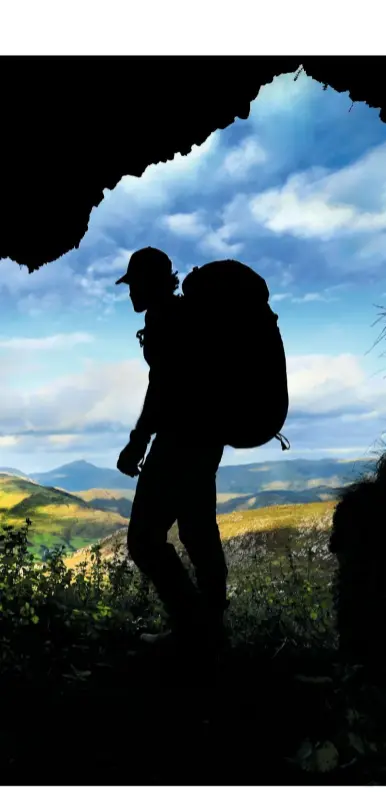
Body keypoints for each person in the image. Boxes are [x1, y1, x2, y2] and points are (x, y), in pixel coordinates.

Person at [115, 247, 228, 654]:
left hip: (181, 442)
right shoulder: (179, 316)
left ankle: (194, 629)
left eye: (134, 285)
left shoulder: (167, 320)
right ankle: (210, 631)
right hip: (205, 440)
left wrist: (137, 441)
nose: (129, 293)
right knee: (198, 533)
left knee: (144, 539)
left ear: (152, 283)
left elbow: (162, 390)